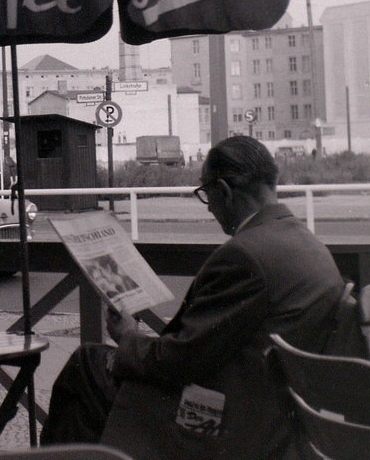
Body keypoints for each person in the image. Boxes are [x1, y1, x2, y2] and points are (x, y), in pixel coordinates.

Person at [40, 136, 347, 460]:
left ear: (224, 191)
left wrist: (128, 337)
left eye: (206, 194)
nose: (210, 207)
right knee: (97, 369)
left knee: (86, 365)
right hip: (273, 414)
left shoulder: (244, 255)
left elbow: (182, 359)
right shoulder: (308, 243)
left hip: (226, 424)